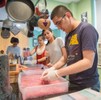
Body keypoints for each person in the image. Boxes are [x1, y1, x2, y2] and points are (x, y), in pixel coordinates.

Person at [41, 5, 100, 92]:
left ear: (68, 15)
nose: (59, 27)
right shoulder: (68, 35)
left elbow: (87, 62)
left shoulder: (86, 29)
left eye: (59, 23)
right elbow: (65, 58)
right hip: (73, 83)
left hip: (88, 85)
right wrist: (53, 68)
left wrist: (58, 73)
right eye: (56, 25)